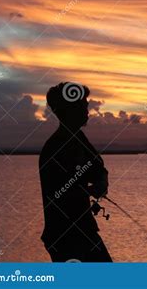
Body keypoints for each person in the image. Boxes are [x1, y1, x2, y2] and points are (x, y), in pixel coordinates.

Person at [39, 82, 112, 262]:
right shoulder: (55, 147)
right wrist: (90, 187)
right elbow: (62, 191)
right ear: (69, 109)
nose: (87, 109)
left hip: (84, 230)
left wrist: (101, 181)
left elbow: (98, 166)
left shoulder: (79, 138)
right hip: (66, 236)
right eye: (82, 105)